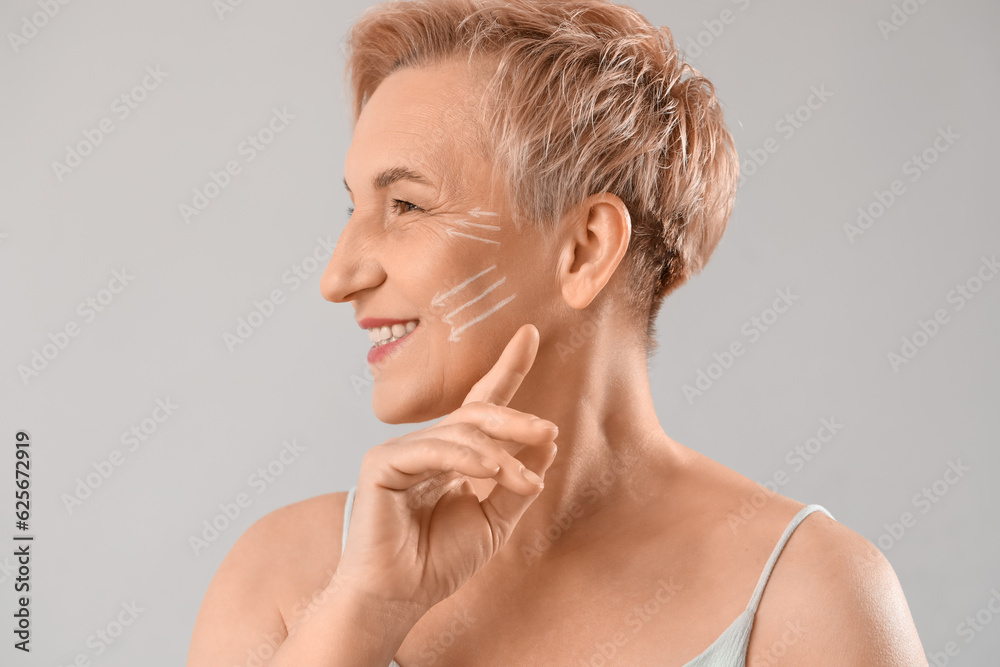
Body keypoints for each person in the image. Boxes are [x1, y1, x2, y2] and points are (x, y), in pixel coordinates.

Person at [186, 0, 927, 664]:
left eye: (405, 206)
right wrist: (362, 615)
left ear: (584, 249)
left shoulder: (809, 600)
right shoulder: (283, 578)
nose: (338, 276)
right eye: (352, 208)